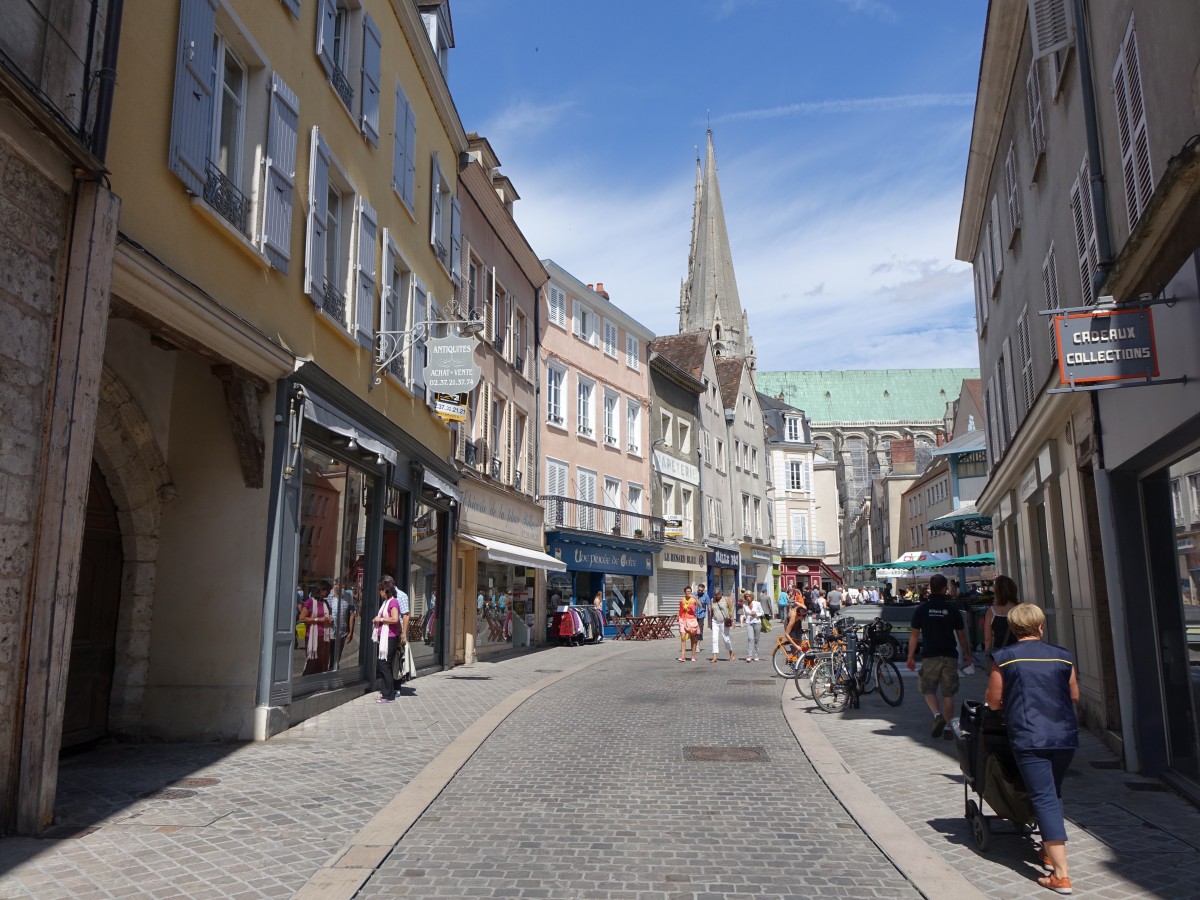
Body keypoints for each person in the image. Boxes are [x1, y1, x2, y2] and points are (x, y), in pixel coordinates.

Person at [986, 603, 1079, 895]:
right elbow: (1074, 695)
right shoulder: (1063, 656)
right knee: (1054, 792)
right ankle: (1048, 852)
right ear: (1041, 627)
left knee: (1044, 797)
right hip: (1064, 736)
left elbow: (993, 702)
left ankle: (1061, 874)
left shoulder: (1004, 658)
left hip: (1030, 737)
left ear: (1013, 630)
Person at [906, 573, 973, 739]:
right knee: (948, 693)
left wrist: (910, 656)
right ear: (945, 589)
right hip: (949, 655)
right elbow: (962, 636)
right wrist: (967, 654)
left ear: (930, 588)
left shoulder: (921, 609)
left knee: (927, 688)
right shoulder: (952, 610)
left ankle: (937, 715)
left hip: (930, 655)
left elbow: (914, 635)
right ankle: (949, 727)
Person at [372, 575, 410, 703]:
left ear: (386, 589)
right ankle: (386, 693)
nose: (380, 592)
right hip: (384, 637)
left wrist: (381, 619)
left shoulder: (393, 601)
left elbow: (395, 619)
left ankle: (389, 695)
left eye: (381, 590)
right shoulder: (386, 602)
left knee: (385, 664)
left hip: (390, 637)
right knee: (383, 664)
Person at [299, 582, 334, 675]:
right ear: (322, 590)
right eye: (327, 591)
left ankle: (319, 683)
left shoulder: (325, 602)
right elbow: (302, 618)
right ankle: (307, 682)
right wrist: (318, 619)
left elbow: (327, 615)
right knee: (312, 662)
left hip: (324, 637)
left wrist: (329, 619)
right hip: (313, 636)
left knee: (323, 662)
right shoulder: (310, 602)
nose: (328, 593)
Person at [984, 574, 1020, 659]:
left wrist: (987, 654)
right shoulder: (1020, 609)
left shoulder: (992, 611)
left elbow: (987, 639)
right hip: (1018, 652)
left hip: (999, 653)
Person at [709, 589, 735, 662]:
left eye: (717, 595)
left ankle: (731, 652)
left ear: (721, 594)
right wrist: (710, 622)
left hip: (724, 621)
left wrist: (733, 621)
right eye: (715, 595)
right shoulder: (712, 600)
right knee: (714, 638)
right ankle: (714, 656)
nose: (716, 596)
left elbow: (731, 610)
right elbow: (711, 611)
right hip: (715, 621)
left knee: (726, 639)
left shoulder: (726, 599)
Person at [741, 590, 765, 661]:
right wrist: (744, 617)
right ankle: (749, 655)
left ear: (752, 597)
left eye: (749, 596)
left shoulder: (757, 603)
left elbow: (762, 612)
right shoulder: (744, 604)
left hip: (757, 622)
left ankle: (757, 655)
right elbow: (744, 613)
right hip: (749, 623)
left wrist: (756, 614)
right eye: (746, 596)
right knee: (750, 638)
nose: (748, 598)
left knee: (756, 639)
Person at [677, 586, 700, 661]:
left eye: (690, 591)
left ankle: (693, 656)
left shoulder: (693, 600)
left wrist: (696, 598)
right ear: (685, 592)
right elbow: (680, 609)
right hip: (683, 619)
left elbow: (700, 605)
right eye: (687, 591)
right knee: (683, 637)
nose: (688, 593)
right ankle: (683, 656)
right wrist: (678, 616)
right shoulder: (682, 600)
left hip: (691, 620)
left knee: (692, 638)